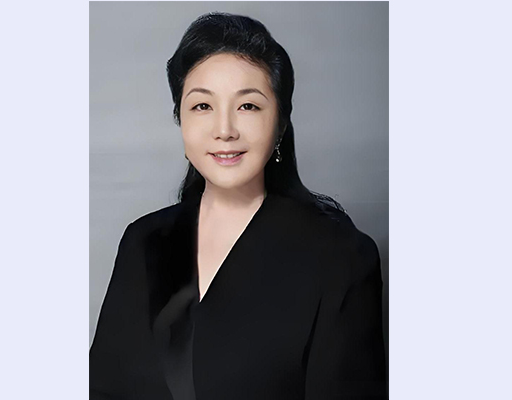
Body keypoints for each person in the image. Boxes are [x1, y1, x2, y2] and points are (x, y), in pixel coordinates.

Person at [90, 12, 386, 400]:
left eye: (248, 106)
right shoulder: (143, 240)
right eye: (202, 106)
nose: (225, 130)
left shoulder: (342, 257)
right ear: (180, 118)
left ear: (280, 122)